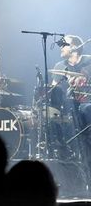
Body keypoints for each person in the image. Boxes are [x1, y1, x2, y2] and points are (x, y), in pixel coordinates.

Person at [51, 34, 91, 178]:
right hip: (68, 107)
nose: (61, 48)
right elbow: (53, 92)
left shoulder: (89, 61)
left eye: (64, 44)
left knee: (86, 109)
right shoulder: (59, 67)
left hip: (88, 105)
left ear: (74, 47)